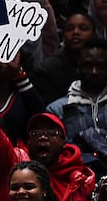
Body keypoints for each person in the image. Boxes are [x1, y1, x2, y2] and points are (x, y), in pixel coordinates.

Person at [0, 37, 96, 201]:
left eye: (51, 132)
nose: (42, 136)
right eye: (35, 132)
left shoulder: (81, 180)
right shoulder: (12, 164)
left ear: (64, 141)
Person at [46, 38, 107, 175]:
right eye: (88, 65)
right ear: (78, 67)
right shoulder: (57, 109)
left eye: (100, 66)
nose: (94, 71)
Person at [34, 12, 98, 103]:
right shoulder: (46, 70)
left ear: (94, 34)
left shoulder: (102, 65)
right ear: (63, 35)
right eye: (70, 29)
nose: (76, 32)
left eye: (83, 28)